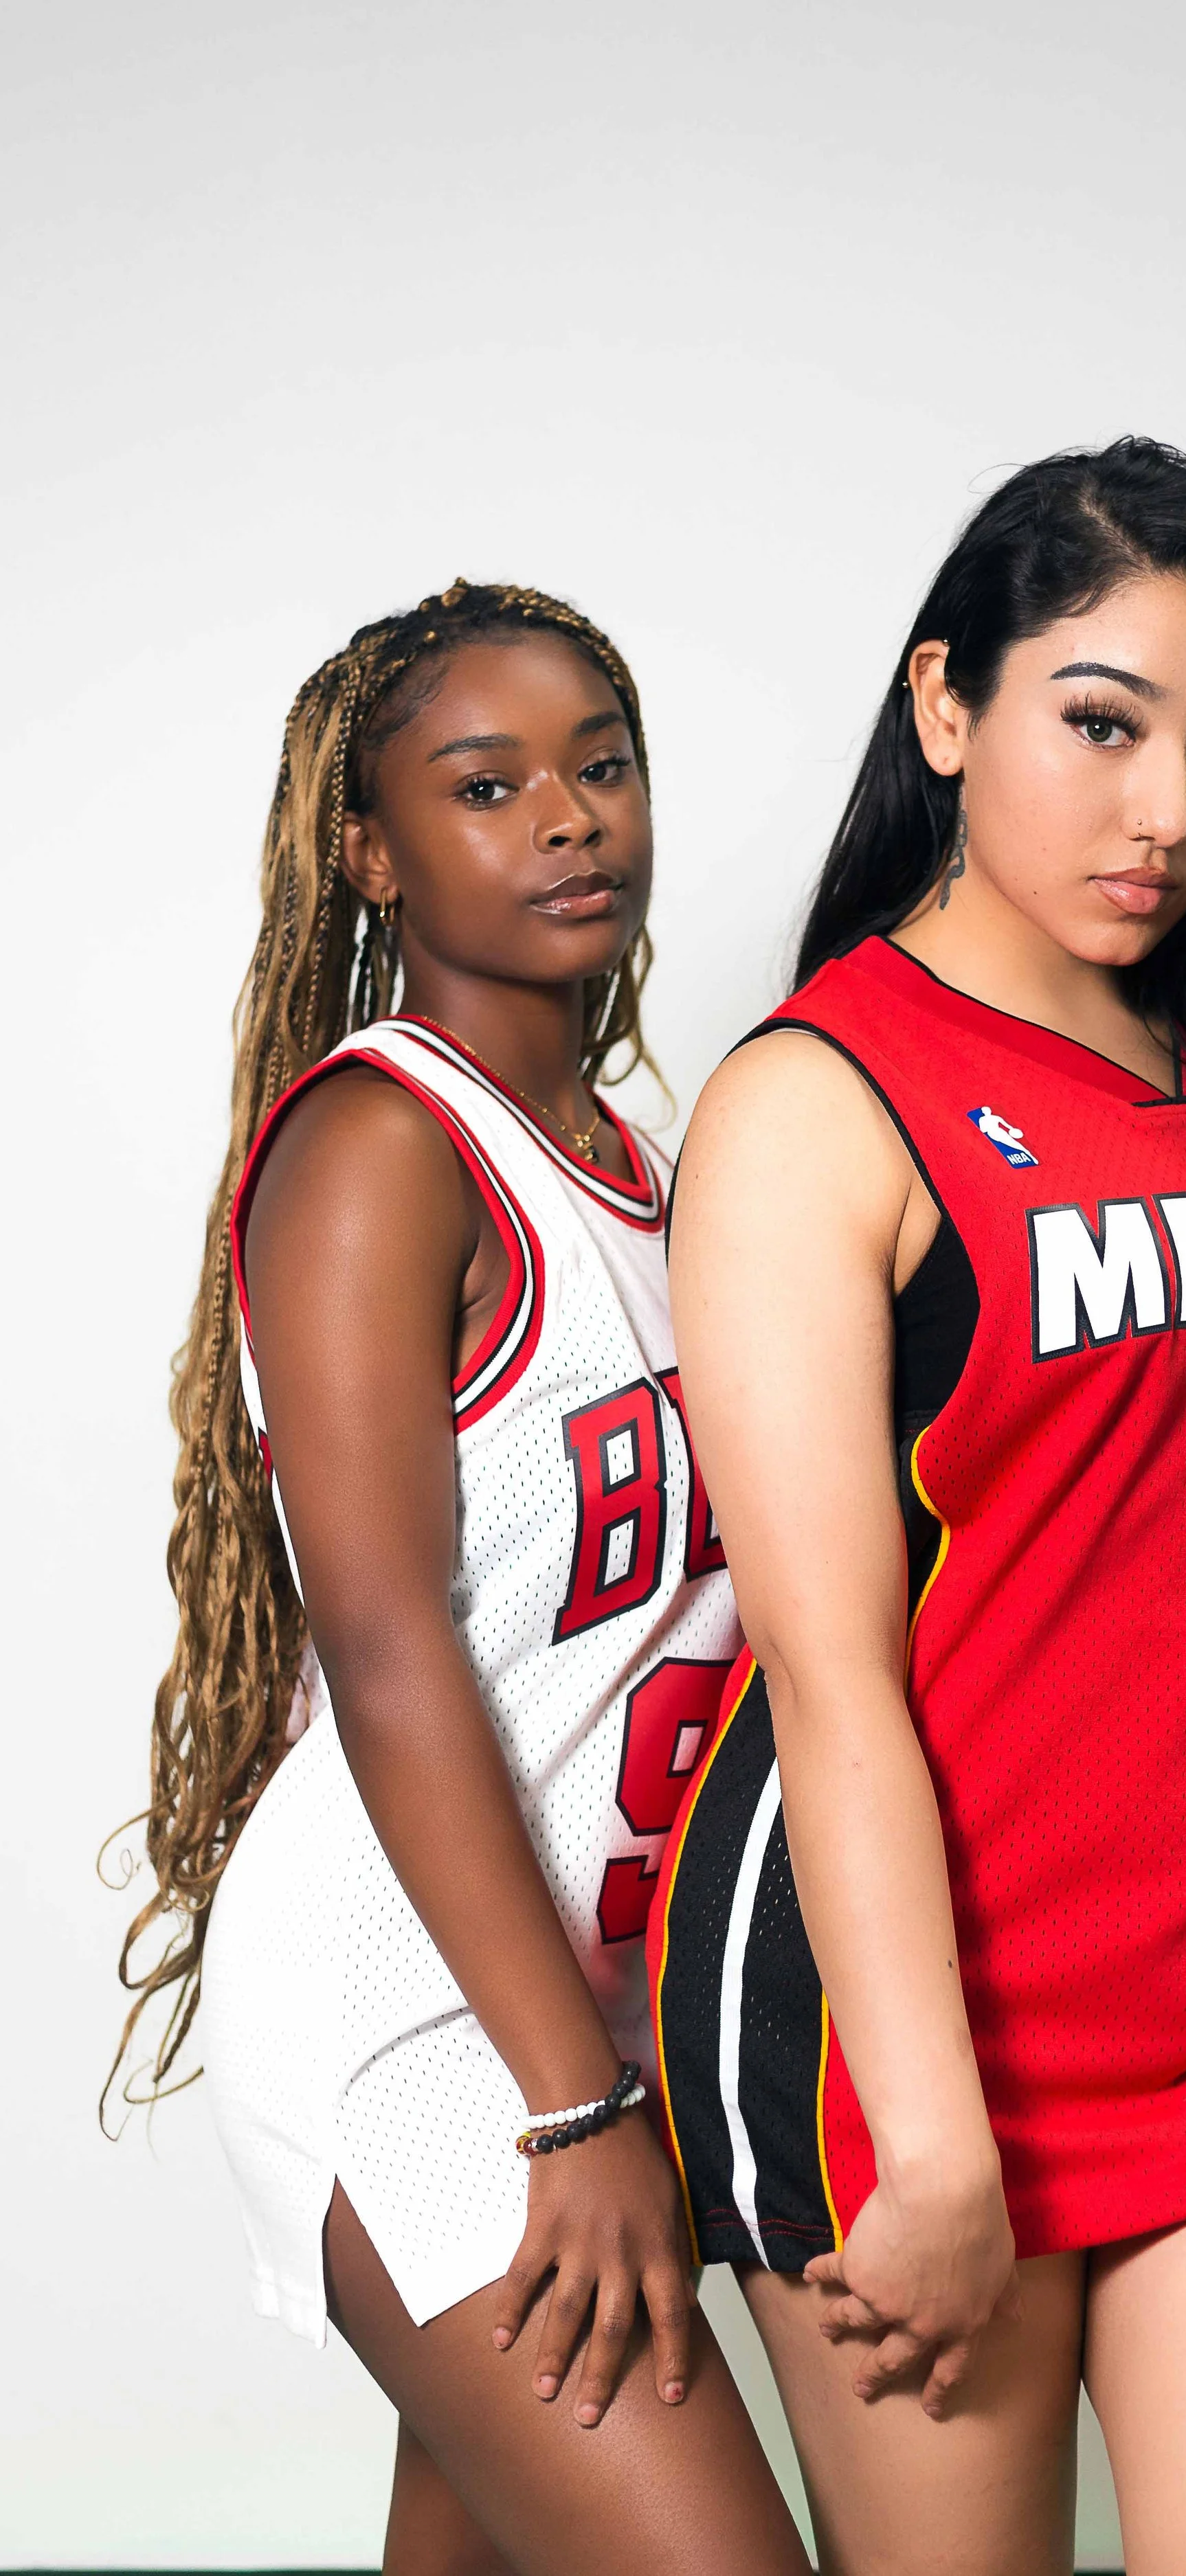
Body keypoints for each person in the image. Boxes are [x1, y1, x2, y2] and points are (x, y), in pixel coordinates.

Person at [649, 442, 1186, 2575]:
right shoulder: (816, 1101)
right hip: (908, 2020)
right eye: (1101, 723)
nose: (1167, 807)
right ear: (944, 705)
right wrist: (927, 2136)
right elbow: (826, 1674)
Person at [109, 581, 809, 2576]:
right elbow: (388, 1645)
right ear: (370, 850)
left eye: (603, 765)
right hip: (428, 2022)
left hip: (596, 2006)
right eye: (487, 785)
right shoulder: (383, 1146)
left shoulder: (654, 1165)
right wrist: (573, 2110)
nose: (569, 816)